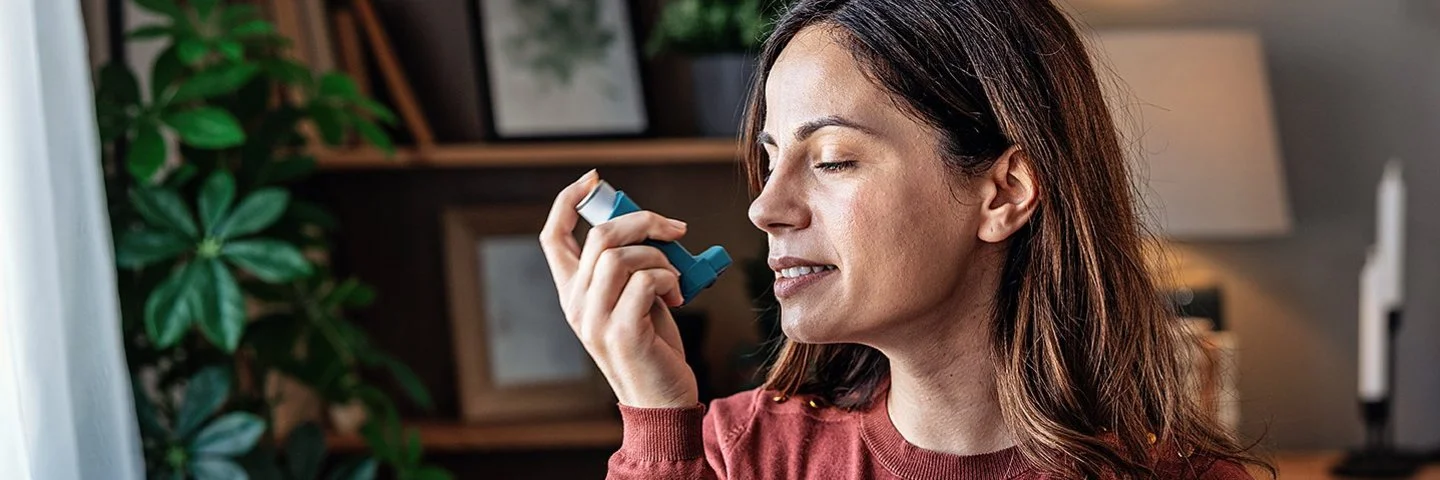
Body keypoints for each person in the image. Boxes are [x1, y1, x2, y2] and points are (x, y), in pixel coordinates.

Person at [540, 0, 1273, 477]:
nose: (766, 207)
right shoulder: (739, 457)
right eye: (769, 160)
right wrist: (658, 421)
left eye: (830, 159)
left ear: (1003, 191)